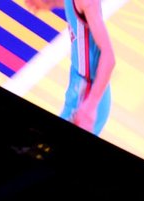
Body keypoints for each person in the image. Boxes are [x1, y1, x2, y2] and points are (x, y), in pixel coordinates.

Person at [25, 0, 116, 134]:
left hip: (87, 92)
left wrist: (90, 106)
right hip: (81, 85)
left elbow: (109, 57)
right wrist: (47, 3)